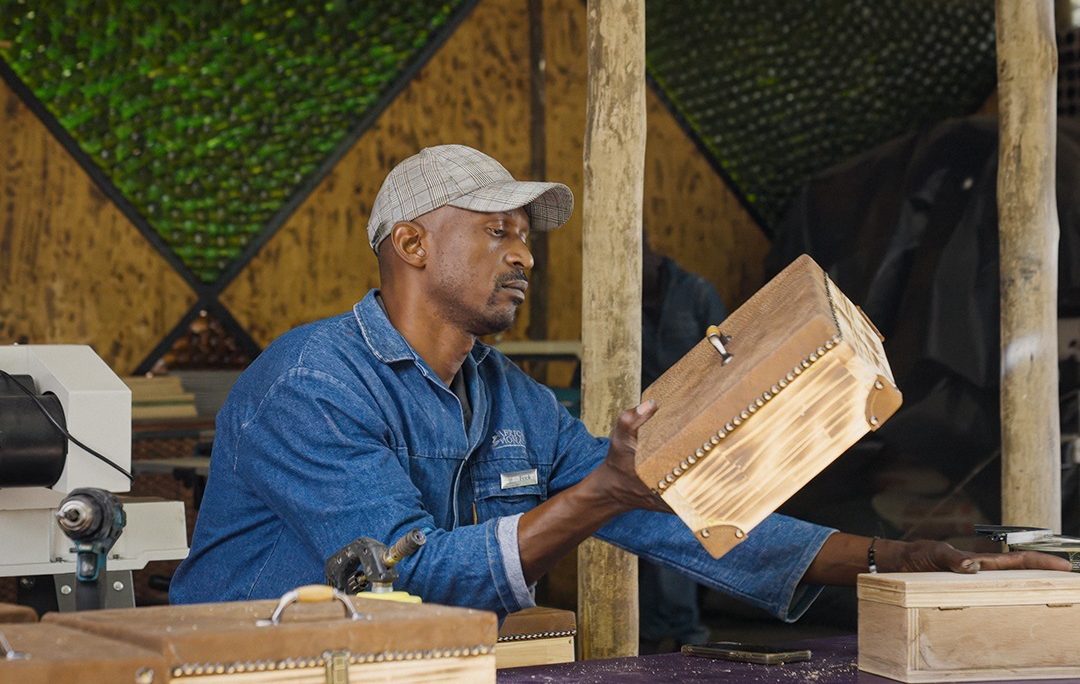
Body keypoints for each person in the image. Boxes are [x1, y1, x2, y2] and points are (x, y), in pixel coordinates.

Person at [169, 144, 1068, 622]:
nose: (524, 253)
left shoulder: (508, 397)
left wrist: (890, 558)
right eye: (497, 231)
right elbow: (404, 580)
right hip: (244, 667)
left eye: (528, 236)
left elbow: (670, 514)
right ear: (411, 244)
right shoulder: (312, 383)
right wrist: (601, 490)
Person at [638, 232, 726, 652]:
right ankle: (656, 634)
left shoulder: (695, 292)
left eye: (637, 255)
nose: (632, 267)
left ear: (652, 253)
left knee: (681, 531)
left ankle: (686, 635)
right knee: (646, 529)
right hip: (641, 438)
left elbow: (729, 358)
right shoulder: (616, 298)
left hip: (695, 434)